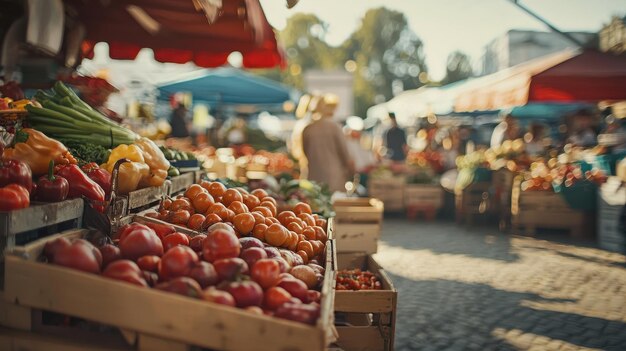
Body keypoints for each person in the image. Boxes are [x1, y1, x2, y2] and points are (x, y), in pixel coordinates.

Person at [302, 94, 354, 193]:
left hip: (313, 180)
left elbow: (305, 153)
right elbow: (345, 155)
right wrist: (351, 172)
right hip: (334, 180)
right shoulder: (335, 128)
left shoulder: (307, 129)